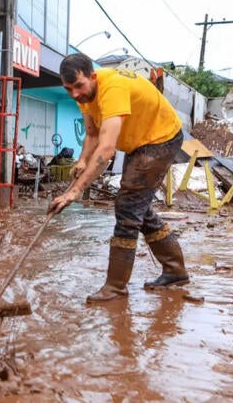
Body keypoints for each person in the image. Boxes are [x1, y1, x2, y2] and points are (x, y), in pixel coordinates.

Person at [48, 53, 189, 302]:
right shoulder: (84, 94)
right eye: (68, 89)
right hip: (140, 143)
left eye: (78, 86)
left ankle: (115, 287)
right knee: (137, 208)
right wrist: (82, 160)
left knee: (127, 206)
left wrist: (74, 191)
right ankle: (175, 270)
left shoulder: (112, 89)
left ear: (92, 76)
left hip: (162, 138)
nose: (74, 94)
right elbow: (92, 135)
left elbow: (106, 149)